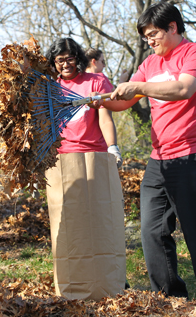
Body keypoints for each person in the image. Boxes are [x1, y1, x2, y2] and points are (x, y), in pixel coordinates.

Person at [100, 2, 196, 302]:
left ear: (173, 27)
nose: (150, 41)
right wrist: (99, 100)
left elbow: (184, 89)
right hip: (159, 160)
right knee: (151, 231)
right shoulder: (149, 64)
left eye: (154, 34)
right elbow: (123, 102)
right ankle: (170, 296)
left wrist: (140, 88)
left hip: (194, 154)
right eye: (146, 37)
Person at [44, 38, 126, 300]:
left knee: (100, 217)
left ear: (77, 58)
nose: (65, 64)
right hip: (62, 161)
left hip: (94, 156)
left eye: (69, 58)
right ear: (53, 63)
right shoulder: (51, 87)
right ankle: (72, 285)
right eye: (60, 60)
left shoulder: (95, 82)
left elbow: (105, 115)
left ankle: (107, 281)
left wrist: (112, 147)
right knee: (69, 222)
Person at [84, 47, 122, 167]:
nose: (104, 65)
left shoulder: (77, 81)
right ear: (94, 61)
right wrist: (112, 146)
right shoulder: (100, 79)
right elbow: (109, 111)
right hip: (97, 145)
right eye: (103, 61)